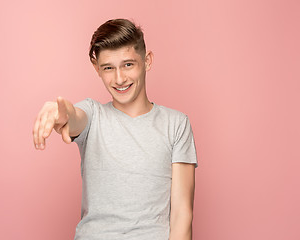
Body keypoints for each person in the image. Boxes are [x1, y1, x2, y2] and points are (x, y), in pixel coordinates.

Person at [32, 18, 198, 240]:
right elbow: (74, 116)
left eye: (128, 64)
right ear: (97, 69)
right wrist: (60, 113)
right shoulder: (93, 114)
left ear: (147, 60)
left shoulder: (176, 124)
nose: (119, 79)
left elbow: (181, 215)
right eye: (108, 68)